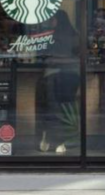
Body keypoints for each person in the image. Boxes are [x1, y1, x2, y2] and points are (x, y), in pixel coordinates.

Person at [36, 10, 80, 154]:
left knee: (52, 109)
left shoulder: (54, 36)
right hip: (72, 77)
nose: (51, 22)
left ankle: (51, 139)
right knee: (65, 108)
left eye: (52, 19)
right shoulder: (74, 35)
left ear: (58, 20)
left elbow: (49, 56)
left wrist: (51, 60)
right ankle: (66, 140)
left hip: (55, 77)